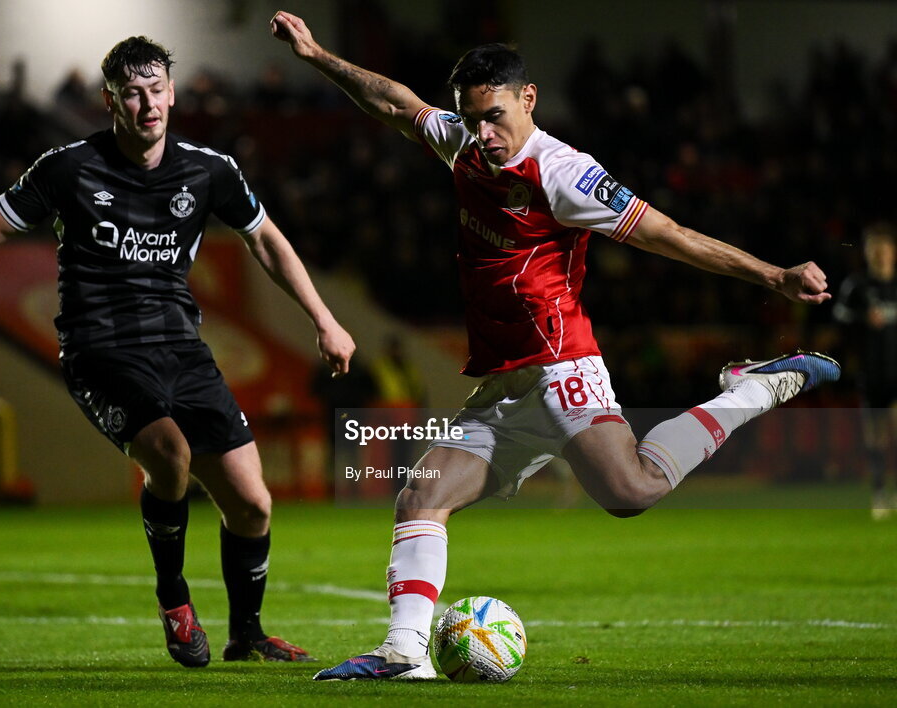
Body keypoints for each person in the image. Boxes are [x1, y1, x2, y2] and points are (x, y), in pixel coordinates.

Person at [270, 11, 840, 681]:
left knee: (630, 491)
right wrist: (315, 55)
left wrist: (773, 275)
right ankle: (402, 654)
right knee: (422, 495)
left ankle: (752, 388)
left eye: (494, 115)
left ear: (528, 98)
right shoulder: (462, 144)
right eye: (470, 117)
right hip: (504, 381)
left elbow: (670, 234)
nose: (482, 133)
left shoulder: (566, 173)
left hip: (561, 363)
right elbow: (396, 102)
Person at [0, 36, 355, 668]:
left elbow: (265, 239)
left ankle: (247, 635)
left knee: (253, 503)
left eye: (156, 90)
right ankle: (174, 599)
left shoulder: (209, 170)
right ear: (110, 101)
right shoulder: (67, 168)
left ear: (173, 94)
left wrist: (324, 319)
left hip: (181, 346)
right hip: (100, 349)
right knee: (171, 453)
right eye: (132, 93)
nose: (147, 104)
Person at [834, 223, 897, 520]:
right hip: (871, 373)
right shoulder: (857, 287)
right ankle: (880, 493)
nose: (880, 256)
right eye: (874, 251)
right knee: (876, 438)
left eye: (884, 250)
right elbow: (840, 321)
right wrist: (862, 318)